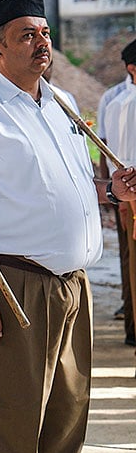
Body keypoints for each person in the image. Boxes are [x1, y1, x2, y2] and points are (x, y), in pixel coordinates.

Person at [0, 0, 136, 453]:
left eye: (44, 33)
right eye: (26, 35)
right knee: (10, 424)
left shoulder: (64, 103)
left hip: (75, 286)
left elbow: (69, 184)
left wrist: (112, 189)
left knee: (67, 421)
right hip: (16, 287)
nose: (41, 43)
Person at [103, 39, 136, 344]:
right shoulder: (124, 104)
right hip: (135, 202)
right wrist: (125, 204)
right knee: (132, 262)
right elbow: (121, 159)